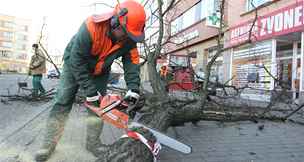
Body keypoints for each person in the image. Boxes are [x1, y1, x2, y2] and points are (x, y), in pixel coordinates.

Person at [34, 0, 146, 161]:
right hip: (75, 64)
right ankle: (47, 145)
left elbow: (132, 62)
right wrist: (89, 90)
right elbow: (76, 59)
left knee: (98, 107)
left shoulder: (129, 38)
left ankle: (93, 143)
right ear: (115, 21)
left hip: (100, 70)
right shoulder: (91, 26)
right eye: (125, 32)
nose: (127, 37)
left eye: (130, 34)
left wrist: (134, 88)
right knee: (63, 101)